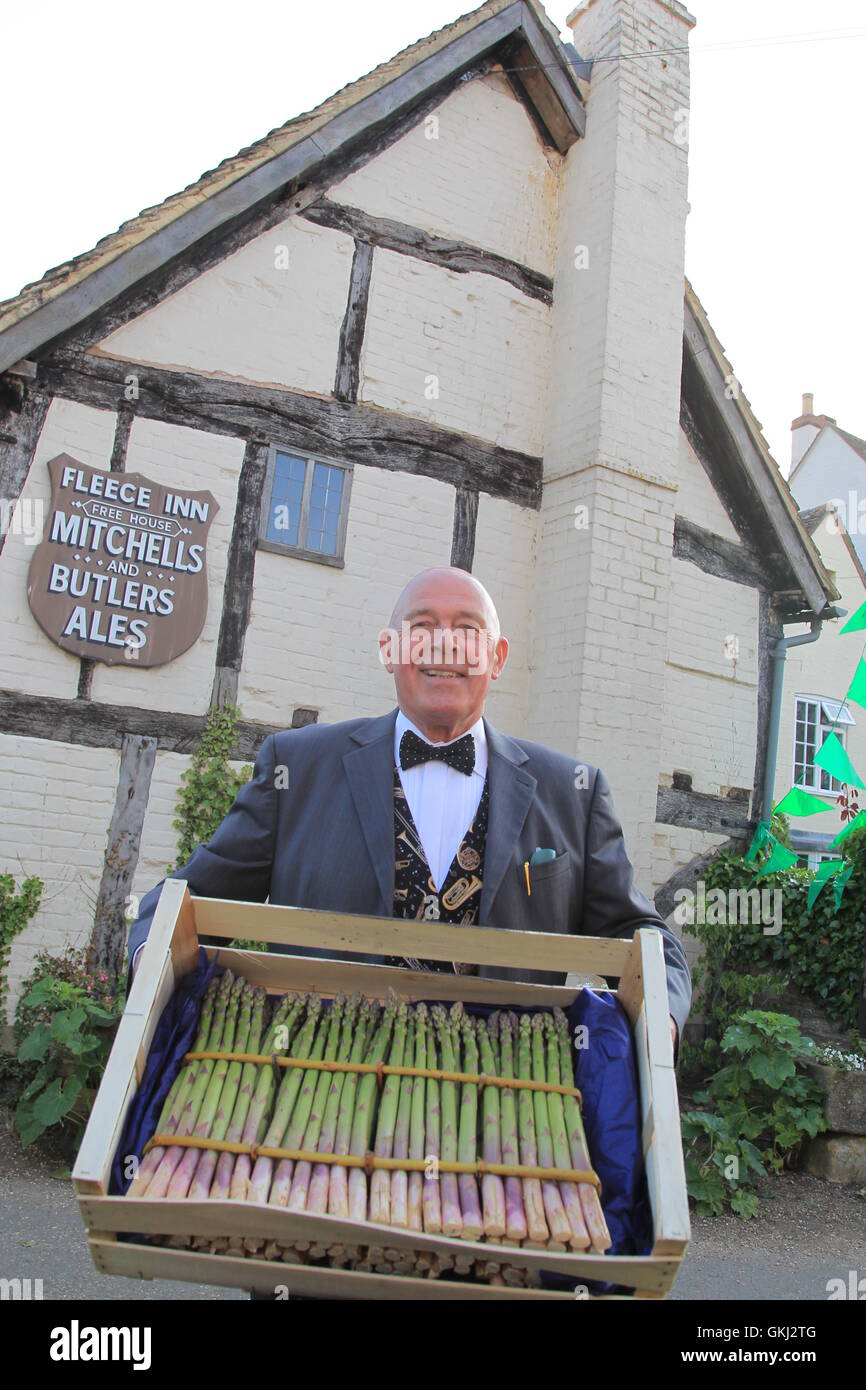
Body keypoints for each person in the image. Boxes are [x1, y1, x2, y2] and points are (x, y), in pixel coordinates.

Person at [128, 565, 690, 1056]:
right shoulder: (296, 768)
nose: (444, 646)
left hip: (504, 1116)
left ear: (496, 659)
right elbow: (189, 902)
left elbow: (642, 937)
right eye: (422, 628)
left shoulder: (574, 792)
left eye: (468, 631)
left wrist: (660, 1015)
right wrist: (150, 969)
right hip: (317, 1105)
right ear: (389, 650)